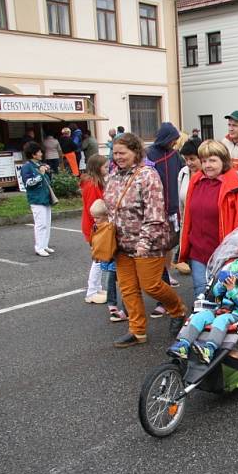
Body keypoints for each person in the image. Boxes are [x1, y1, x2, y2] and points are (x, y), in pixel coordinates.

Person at [103, 133, 187, 348]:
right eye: (115, 153)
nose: (118, 157)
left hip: (148, 244)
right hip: (120, 244)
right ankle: (137, 331)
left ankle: (178, 310)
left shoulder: (148, 175)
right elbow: (109, 208)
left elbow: (155, 214)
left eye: (123, 153)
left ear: (135, 152)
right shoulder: (113, 176)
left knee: (152, 286)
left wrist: (144, 243)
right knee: (128, 288)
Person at [179, 140, 238, 298]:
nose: (207, 165)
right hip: (198, 252)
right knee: (202, 295)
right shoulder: (196, 181)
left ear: (224, 161)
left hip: (223, 254)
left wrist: (234, 255)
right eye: (204, 160)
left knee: (222, 298)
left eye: (213, 160)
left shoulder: (237, 187)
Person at [168, 249, 238, 363]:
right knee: (200, 316)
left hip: (236, 313)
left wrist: (232, 290)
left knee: (221, 320)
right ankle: (183, 344)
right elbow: (217, 296)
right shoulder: (234, 279)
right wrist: (221, 285)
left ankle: (209, 348)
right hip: (219, 308)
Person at [146, 122, 185, 315]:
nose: (174, 143)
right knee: (158, 250)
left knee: (169, 245)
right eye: (172, 139)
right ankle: (163, 296)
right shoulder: (149, 155)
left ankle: (166, 276)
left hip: (173, 209)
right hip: (155, 211)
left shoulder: (176, 156)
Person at [89, 199, 128, 322]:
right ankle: (112, 303)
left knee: (124, 283)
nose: (95, 220)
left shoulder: (111, 226)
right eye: (94, 218)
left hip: (115, 258)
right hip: (107, 259)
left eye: (98, 218)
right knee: (110, 280)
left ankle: (126, 305)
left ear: (107, 216)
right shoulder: (96, 227)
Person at [80, 154, 108, 304]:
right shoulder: (92, 185)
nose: (107, 168)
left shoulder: (94, 183)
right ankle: (91, 291)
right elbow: (94, 210)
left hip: (96, 226)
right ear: (98, 168)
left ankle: (96, 287)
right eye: (105, 166)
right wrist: (98, 228)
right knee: (98, 259)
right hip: (95, 227)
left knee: (99, 257)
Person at [20, 141, 54, 257]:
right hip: (36, 199)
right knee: (40, 224)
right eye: (39, 152)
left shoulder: (39, 164)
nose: (41, 153)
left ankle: (45, 245)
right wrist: (40, 175)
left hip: (45, 197)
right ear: (33, 154)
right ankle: (39, 247)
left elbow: (48, 180)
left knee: (47, 223)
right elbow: (28, 183)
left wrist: (47, 172)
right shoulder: (26, 167)